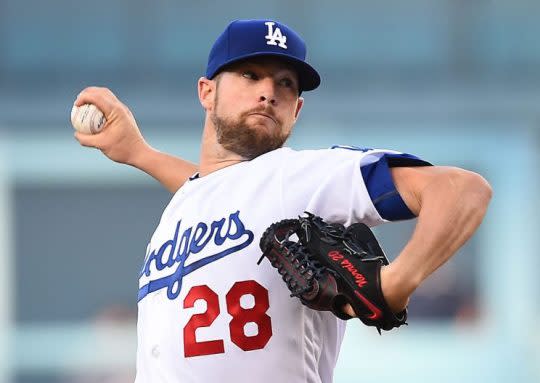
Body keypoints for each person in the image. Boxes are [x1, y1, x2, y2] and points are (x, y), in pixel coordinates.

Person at [73, 19, 492, 383]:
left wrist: (397, 283)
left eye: (285, 83)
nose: (268, 92)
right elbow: (212, 189)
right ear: (206, 91)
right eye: (250, 75)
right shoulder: (193, 201)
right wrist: (139, 153)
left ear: (298, 109)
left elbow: (461, 190)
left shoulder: (303, 177)